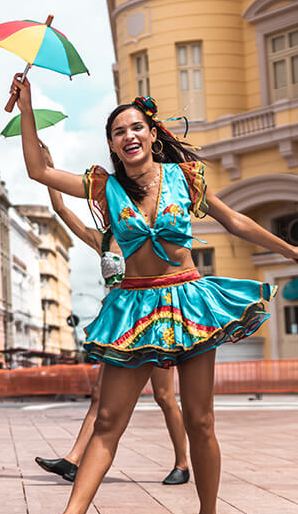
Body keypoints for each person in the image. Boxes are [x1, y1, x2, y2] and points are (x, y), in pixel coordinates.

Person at [10, 77, 298, 514]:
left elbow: (234, 220)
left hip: (189, 301)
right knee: (109, 420)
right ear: (112, 144)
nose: (128, 136)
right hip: (134, 305)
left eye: (136, 127)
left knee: (201, 421)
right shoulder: (102, 187)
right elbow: (37, 170)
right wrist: (27, 107)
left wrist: (288, 248)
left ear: (152, 134)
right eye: (118, 132)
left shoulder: (186, 178)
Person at [33, 142, 190, 486]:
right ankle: (74, 459)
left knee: (165, 396)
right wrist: (49, 168)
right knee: (100, 395)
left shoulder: (147, 236)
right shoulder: (102, 241)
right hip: (120, 324)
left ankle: (182, 462)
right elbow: (61, 210)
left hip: (154, 317)